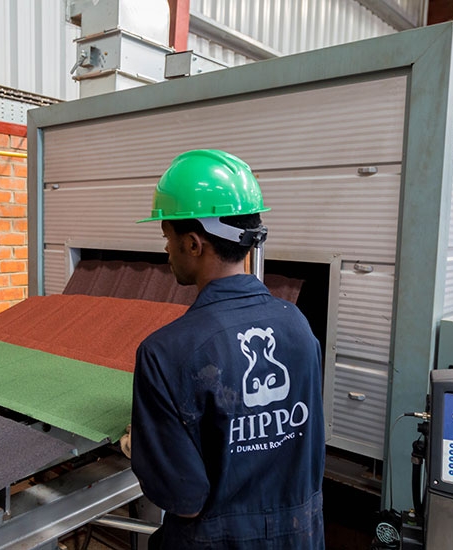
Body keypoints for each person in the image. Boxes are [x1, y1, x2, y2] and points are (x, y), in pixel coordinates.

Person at [130, 149, 325, 549]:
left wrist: (140, 446)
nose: (166, 250)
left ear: (194, 243)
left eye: (167, 238)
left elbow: (183, 501)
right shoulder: (297, 326)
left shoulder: (164, 353)